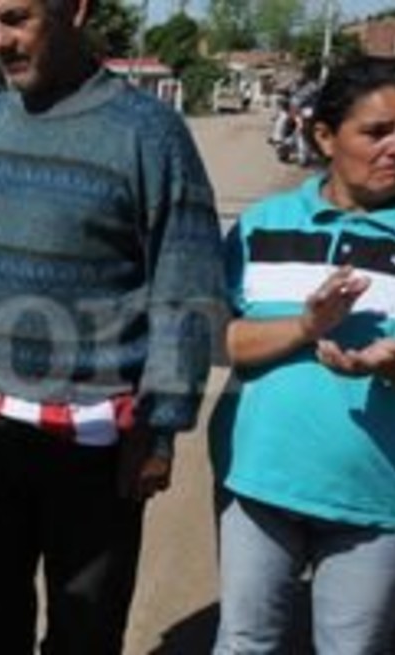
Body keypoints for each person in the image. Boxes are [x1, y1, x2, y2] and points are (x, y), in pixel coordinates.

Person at [0, 0, 225, 651]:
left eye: (18, 18)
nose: (0, 40)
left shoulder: (150, 133)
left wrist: (161, 427)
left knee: (86, 631)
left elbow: (186, 288)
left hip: (100, 447)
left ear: (75, 10)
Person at [210, 56, 395, 654]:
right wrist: (305, 325)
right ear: (322, 136)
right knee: (244, 644)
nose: (394, 148)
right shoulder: (261, 226)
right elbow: (220, 339)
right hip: (260, 486)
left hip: (376, 502)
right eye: (376, 132)